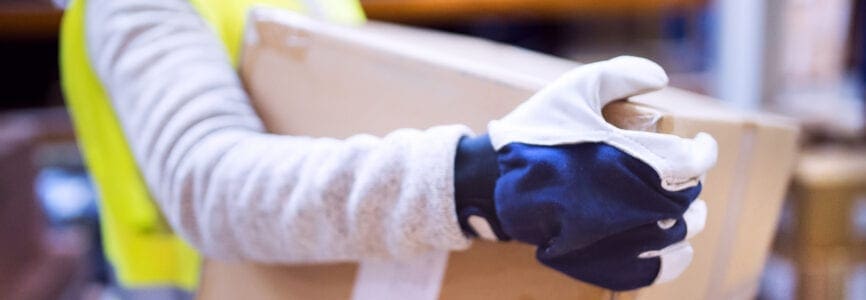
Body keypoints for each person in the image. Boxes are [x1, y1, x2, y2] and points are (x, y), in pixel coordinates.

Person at [61, 0, 718, 295]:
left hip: (318, 275)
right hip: (204, 288)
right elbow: (212, 184)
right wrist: (482, 183)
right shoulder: (134, 6)